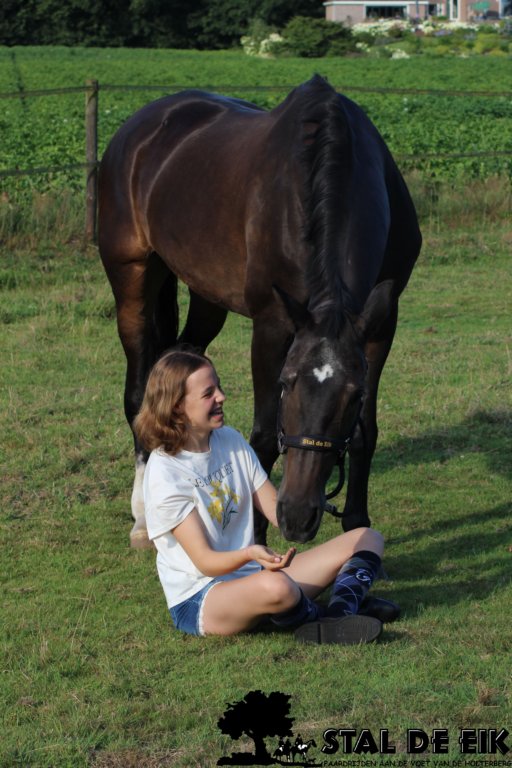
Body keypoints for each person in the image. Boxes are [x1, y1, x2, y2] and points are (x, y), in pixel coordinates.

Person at [134, 348, 400, 644]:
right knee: (277, 587)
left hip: (253, 576)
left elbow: (276, 510)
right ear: (176, 407)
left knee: (367, 538)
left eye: (218, 387)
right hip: (202, 598)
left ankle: (339, 614)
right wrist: (250, 553)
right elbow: (205, 562)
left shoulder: (229, 440)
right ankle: (327, 614)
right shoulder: (166, 472)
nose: (221, 397)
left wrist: (306, 493)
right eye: (208, 393)